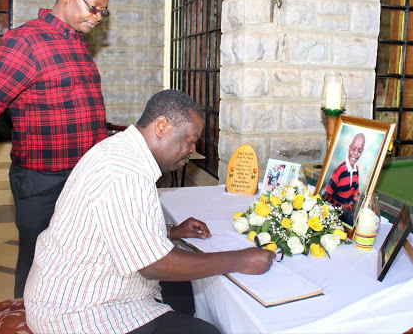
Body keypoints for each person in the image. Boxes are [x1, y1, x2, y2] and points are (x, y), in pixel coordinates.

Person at [24, 89, 275, 334]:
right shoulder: (124, 172)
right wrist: (241, 259)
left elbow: (115, 223)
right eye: (190, 140)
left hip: (84, 291)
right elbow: (153, 265)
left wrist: (171, 231)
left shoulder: (123, 151)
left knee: (188, 296)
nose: (191, 150)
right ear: (162, 126)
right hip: (79, 313)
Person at [0, 0, 110, 298]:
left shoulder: (78, 46)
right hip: (42, 182)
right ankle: (24, 321)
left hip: (83, 178)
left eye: (102, 12)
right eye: (92, 8)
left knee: (77, 262)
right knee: (37, 265)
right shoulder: (25, 43)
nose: (96, 17)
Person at [321, 133, 366, 225]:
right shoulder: (340, 170)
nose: (355, 153)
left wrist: (355, 205)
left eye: (359, 151)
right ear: (349, 148)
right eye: (353, 149)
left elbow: (355, 191)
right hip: (335, 211)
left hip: (347, 210)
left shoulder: (356, 170)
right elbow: (326, 194)